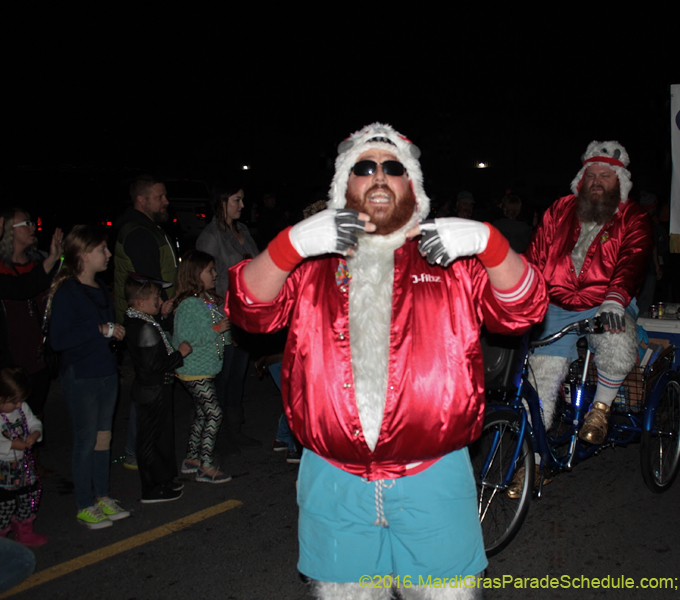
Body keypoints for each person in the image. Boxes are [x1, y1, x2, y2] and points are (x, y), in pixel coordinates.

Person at [226, 123, 547, 599]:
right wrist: (289, 245)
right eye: (364, 167)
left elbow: (525, 309)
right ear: (344, 184)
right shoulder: (311, 260)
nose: (379, 176)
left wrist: (489, 242)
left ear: (411, 184)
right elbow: (248, 311)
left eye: (393, 167)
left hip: (433, 475)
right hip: (333, 479)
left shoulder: (450, 258)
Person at [524, 140, 652, 486]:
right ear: (580, 180)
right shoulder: (559, 210)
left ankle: (600, 410)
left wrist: (616, 298)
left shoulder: (633, 216)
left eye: (605, 175)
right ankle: (534, 458)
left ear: (619, 182)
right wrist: (521, 294)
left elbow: (633, 259)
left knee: (616, 339)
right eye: (591, 175)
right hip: (556, 304)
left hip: (605, 301)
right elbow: (535, 257)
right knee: (539, 377)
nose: (596, 181)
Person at [48, 225, 131, 529]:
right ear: (83, 254)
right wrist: (100, 331)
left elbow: (105, 330)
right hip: (81, 376)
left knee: (103, 439)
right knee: (85, 441)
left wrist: (113, 333)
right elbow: (58, 339)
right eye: (102, 250)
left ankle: (102, 496)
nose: (108, 254)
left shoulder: (99, 288)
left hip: (106, 373)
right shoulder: (68, 291)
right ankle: (84, 503)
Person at [112, 175, 179, 470]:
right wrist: (161, 313)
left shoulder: (148, 227)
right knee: (151, 385)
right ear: (142, 199)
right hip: (145, 321)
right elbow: (148, 282)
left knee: (152, 384)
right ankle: (137, 451)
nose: (166, 201)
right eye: (160, 196)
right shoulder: (138, 232)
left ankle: (139, 449)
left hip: (150, 317)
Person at [195, 183, 260, 450]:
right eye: (236, 200)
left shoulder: (242, 230)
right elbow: (203, 283)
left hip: (246, 314)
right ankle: (216, 433)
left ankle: (234, 430)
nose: (242, 206)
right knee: (221, 376)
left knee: (237, 376)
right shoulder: (211, 237)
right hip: (224, 317)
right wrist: (223, 320)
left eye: (242, 200)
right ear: (222, 201)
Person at [123, 275, 192, 502]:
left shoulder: (142, 321)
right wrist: (179, 354)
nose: (159, 299)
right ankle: (152, 488)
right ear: (139, 302)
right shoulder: (142, 327)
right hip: (152, 391)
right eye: (155, 297)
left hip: (154, 390)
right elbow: (154, 365)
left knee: (161, 438)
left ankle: (163, 480)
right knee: (151, 440)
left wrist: (162, 314)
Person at [173, 250, 231, 484]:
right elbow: (189, 337)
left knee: (202, 413)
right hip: (193, 369)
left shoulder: (206, 300)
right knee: (214, 413)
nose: (215, 274)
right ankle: (206, 465)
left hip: (205, 367)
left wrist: (226, 335)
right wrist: (218, 329)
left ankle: (191, 459)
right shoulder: (190, 305)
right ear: (195, 274)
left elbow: (218, 331)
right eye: (210, 270)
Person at [0, 209, 63, 417]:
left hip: (38, 357)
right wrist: (52, 259)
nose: (33, 228)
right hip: (11, 360)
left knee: (35, 418)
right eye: (25, 224)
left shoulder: (37, 262)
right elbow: (22, 287)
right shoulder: (3, 269)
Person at [0, 367, 46, 546]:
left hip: (22, 464)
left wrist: (35, 433)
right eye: (14, 402)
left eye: (20, 401)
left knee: (30, 495)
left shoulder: (21, 408)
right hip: (3, 468)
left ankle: (25, 531)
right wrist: (11, 445)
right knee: (5, 505)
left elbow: (34, 422)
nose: (19, 405)